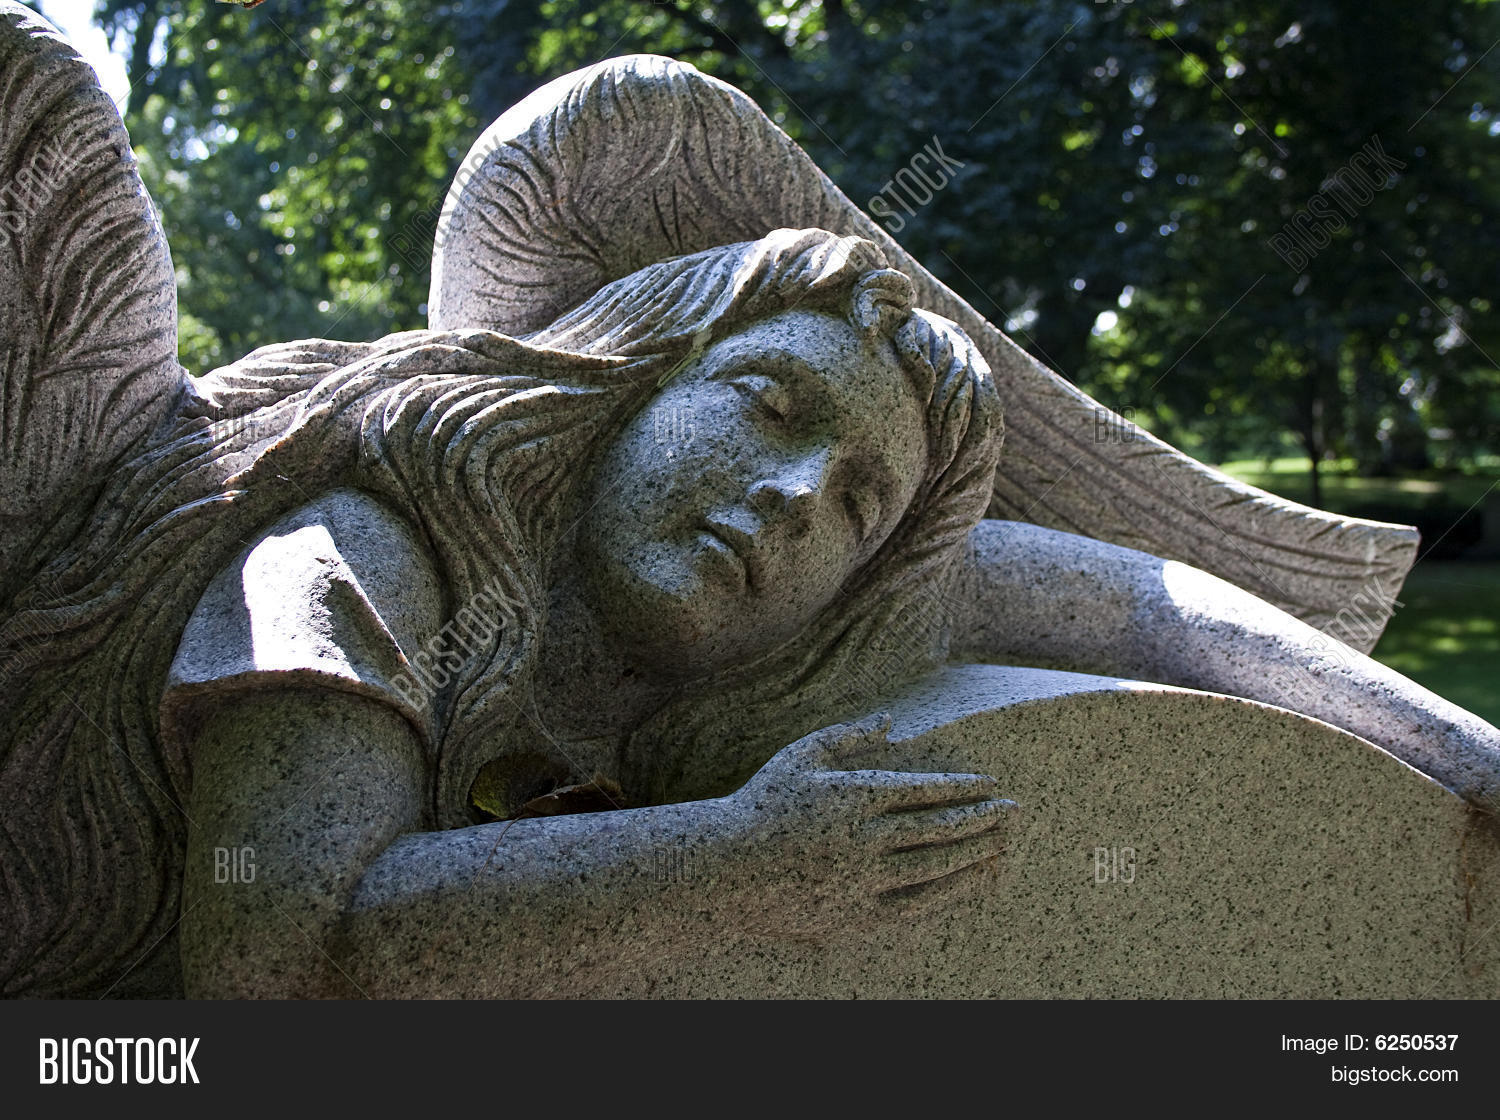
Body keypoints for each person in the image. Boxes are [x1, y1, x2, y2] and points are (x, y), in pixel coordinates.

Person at [0, 228, 1011, 997]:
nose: (798, 493)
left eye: (857, 503)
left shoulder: (661, 740)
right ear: (631, 383)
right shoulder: (357, 559)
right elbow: (282, 956)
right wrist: (742, 861)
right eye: (768, 402)